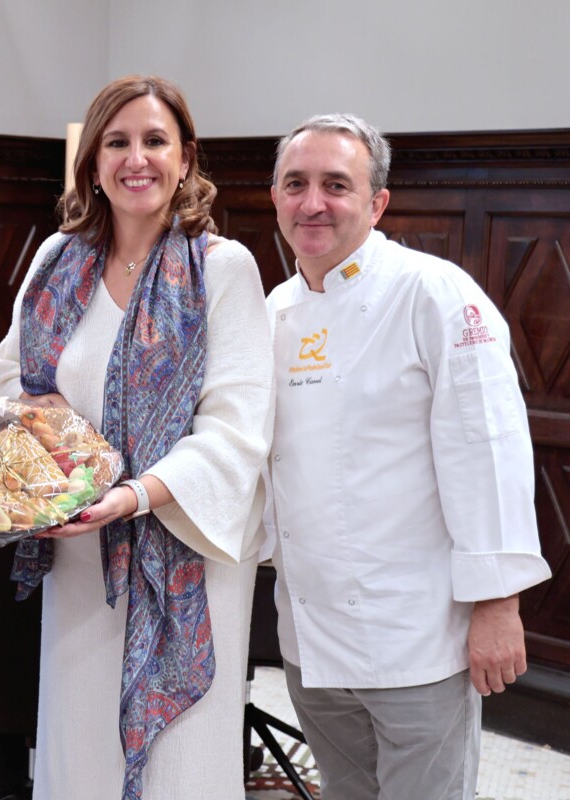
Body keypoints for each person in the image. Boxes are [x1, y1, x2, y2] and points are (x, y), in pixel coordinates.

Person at [0, 76, 274, 799]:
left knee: (180, 761)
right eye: (116, 142)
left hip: (183, 546)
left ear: (185, 159)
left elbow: (238, 428)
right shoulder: (59, 259)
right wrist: (30, 419)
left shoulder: (222, 269)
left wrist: (136, 496)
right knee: (78, 744)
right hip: (79, 549)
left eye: (155, 141)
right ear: (92, 161)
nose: (136, 158)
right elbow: (9, 381)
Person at [264, 113, 552, 799]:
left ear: (377, 202)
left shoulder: (435, 293)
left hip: (416, 636)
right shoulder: (273, 310)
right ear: (275, 196)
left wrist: (498, 604)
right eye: (295, 183)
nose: (313, 203)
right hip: (311, 633)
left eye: (337, 184)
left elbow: (489, 452)